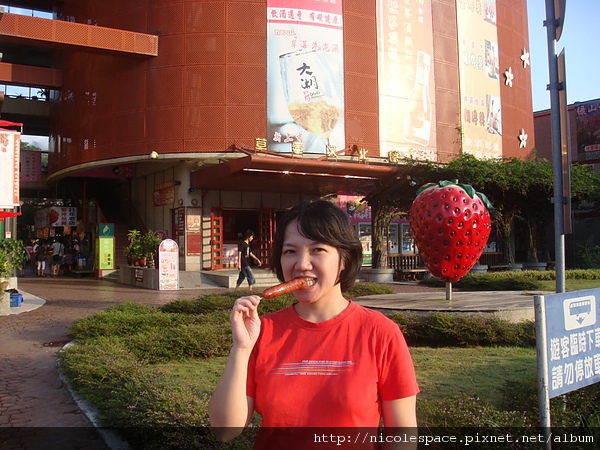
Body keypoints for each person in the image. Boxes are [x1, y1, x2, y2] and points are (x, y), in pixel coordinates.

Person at [209, 200, 419, 448]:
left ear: (344, 259)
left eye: (317, 249)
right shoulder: (261, 332)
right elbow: (224, 431)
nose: (302, 264)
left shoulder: (380, 333)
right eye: (290, 251)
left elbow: (402, 438)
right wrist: (241, 350)